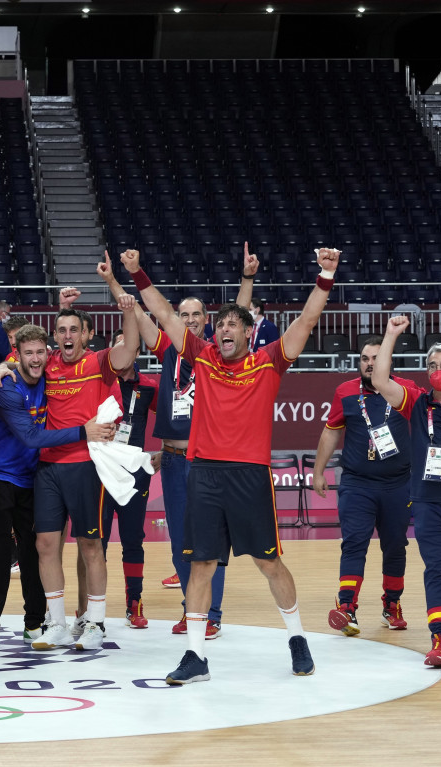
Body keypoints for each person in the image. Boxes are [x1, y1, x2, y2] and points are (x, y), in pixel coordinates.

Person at [122, 245, 339, 684]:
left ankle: (296, 637)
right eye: (219, 325)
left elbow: (308, 321)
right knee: (201, 564)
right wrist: (137, 272)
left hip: (249, 476)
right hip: (204, 473)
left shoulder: (269, 362)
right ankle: (195, 655)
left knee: (269, 561)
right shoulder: (200, 356)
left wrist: (325, 276)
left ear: (247, 333)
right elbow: (163, 313)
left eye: (231, 324)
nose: (223, 330)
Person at [97, 249, 253, 635]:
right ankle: (192, 609)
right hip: (171, 459)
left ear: (207, 321)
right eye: (182, 315)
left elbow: (240, 318)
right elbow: (137, 312)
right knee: (181, 542)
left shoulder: (217, 355)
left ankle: (211, 616)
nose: (189, 320)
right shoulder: (169, 351)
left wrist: (247, 279)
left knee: (210, 539)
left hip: (207, 459)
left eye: (196, 315)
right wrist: (114, 282)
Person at [0, 286, 138, 652]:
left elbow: (130, 349)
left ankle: (95, 623)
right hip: (48, 469)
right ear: (55, 336)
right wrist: (3, 366)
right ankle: (56, 623)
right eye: (62, 331)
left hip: (86, 467)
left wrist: (129, 312)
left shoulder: (99, 362)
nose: (68, 336)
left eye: (75, 330)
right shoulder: (48, 364)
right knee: (45, 544)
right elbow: (20, 359)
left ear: (88, 334)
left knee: (90, 544)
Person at [370, 316, 441, 667]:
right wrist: (390, 334)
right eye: (432, 365)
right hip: (427, 501)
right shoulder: (417, 403)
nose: (437, 370)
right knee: (436, 567)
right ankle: (439, 637)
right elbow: (379, 379)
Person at [0, 323, 104, 646]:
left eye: (40, 352)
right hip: (0, 476)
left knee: (35, 552)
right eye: (28, 354)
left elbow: (74, 357)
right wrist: (83, 431)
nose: (35, 359)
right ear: (18, 356)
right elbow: (32, 437)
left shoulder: (50, 371)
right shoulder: (8, 387)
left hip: (35, 476)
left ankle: (37, 622)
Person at [315, 335, 418, 637]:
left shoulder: (405, 391)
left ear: (388, 360)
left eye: (376, 358)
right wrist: (318, 472)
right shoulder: (345, 392)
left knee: (395, 547)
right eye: (365, 359)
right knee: (354, 543)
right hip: (357, 483)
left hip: (398, 485)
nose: (370, 363)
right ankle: (347, 607)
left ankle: (392, 605)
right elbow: (330, 433)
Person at [98, 331, 160, 630]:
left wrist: (165, 452)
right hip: (102, 470)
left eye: (128, 345)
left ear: (136, 352)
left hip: (134, 473)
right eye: (117, 345)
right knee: (96, 542)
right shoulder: (99, 382)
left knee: (133, 540)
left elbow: (173, 418)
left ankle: (133, 602)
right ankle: (91, 608)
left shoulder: (148, 386)